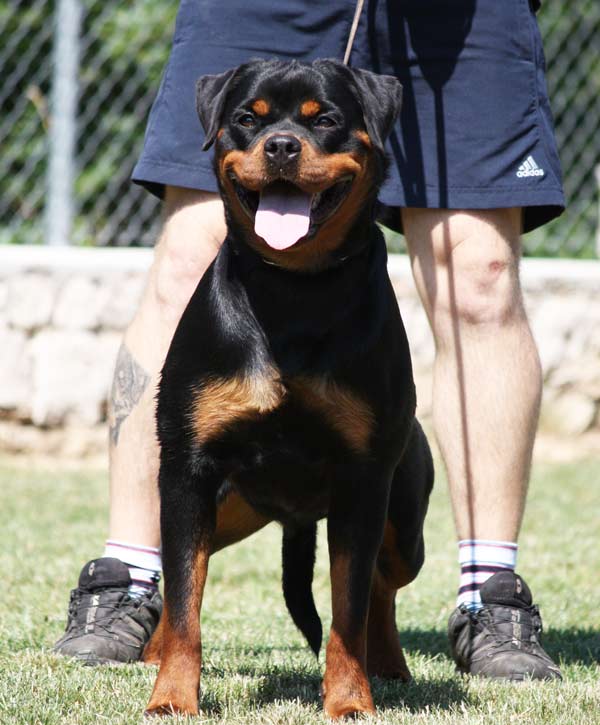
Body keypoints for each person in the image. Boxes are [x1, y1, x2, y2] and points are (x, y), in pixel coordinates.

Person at [54, 0, 565, 680]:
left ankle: (488, 596)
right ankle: (131, 578)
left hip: (460, 17)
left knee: (480, 271)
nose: (284, 142)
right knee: (186, 257)